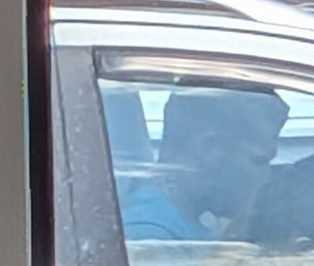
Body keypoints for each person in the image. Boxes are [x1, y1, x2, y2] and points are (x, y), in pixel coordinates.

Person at [122, 86, 286, 246]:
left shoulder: (183, 218)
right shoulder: (152, 239)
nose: (266, 177)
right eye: (258, 161)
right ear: (210, 148)